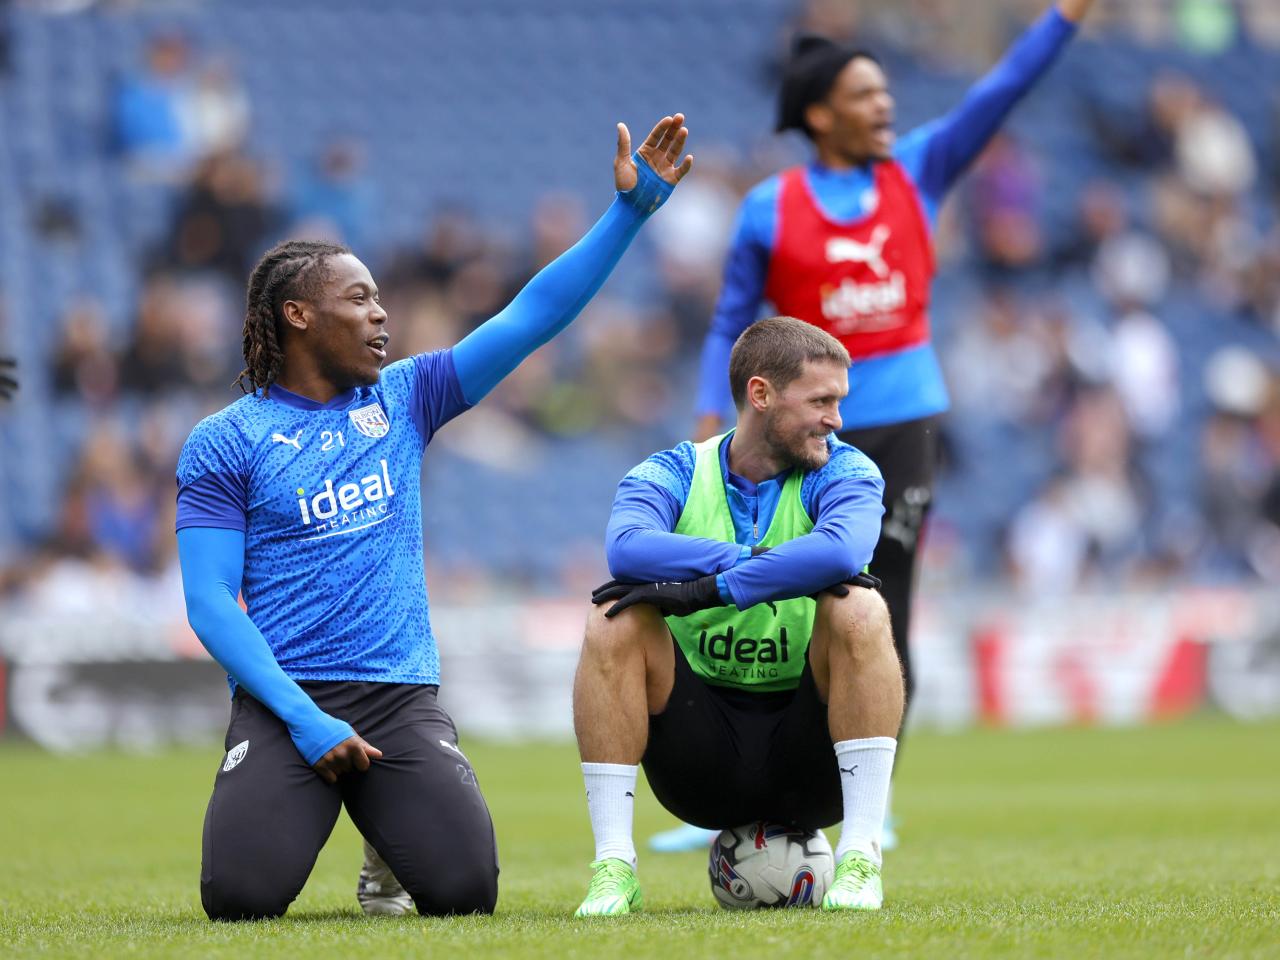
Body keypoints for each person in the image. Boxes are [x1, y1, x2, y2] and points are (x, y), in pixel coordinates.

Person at [175, 114, 693, 921]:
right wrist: (305, 721)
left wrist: (628, 213)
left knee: (464, 894)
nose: (382, 315)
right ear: (298, 317)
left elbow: (529, 318)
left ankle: (388, 850)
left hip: (397, 696)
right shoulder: (225, 440)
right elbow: (209, 601)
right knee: (239, 901)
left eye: (381, 298)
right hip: (285, 700)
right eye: (358, 299)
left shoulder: (406, 397)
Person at [657, 0, 1098, 855]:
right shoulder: (769, 208)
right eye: (866, 94)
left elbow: (1001, 90)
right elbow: (728, 323)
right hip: (800, 433)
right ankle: (756, 796)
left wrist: (1062, 19)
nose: (886, 106)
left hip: (902, 425)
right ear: (820, 114)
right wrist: (713, 411)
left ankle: (869, 802)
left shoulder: (920, 170)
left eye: (887, 92)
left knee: (883, 608)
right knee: (775, 604)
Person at [573, 316, 902, 915]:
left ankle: (860, 861)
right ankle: (613, 870)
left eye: (839, 401)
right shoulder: (672, 471)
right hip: (698, 759)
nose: (837, 420)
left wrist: (709, 589)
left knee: (860, 607)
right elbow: (625, 547)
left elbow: (841, 551)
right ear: (761, 394)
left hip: (812, 758)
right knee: (612, 617)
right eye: (821, 401)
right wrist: (758, 560)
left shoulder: (846, 468)